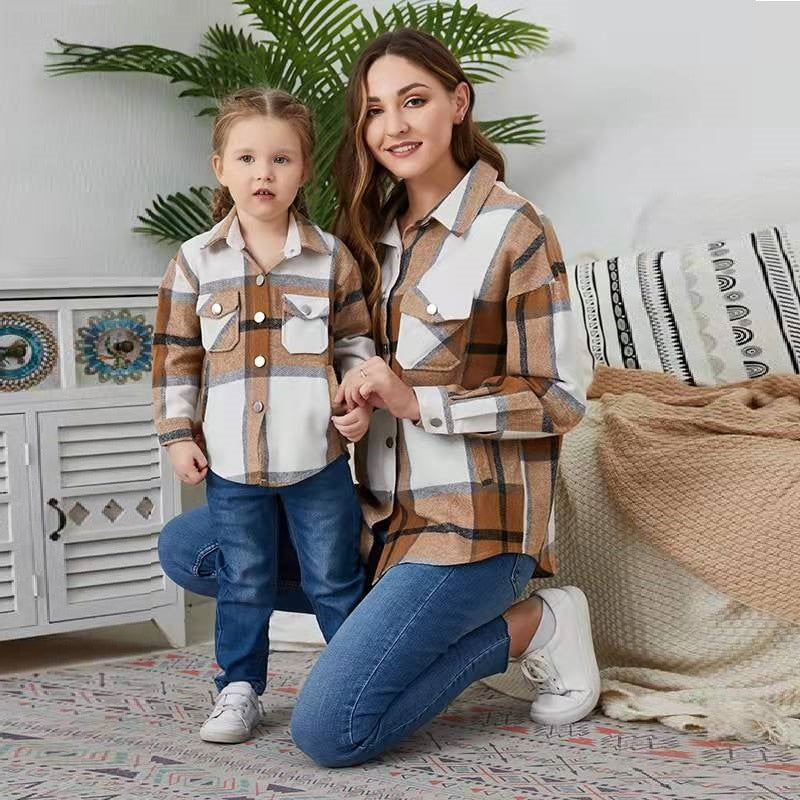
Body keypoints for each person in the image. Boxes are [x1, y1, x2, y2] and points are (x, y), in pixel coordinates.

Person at [158, 29, 600, 766]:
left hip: (471, 529)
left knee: (332, 731)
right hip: (381, 520)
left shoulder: (511, 230)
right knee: (192, 547)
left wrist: (416, 400)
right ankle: (381, 637)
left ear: (458, 103)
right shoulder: (367, 235)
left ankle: (533, 624)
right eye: (373, 110)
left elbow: (559, 398)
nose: (393, 125)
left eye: (414, 101)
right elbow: (339, 357)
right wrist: (344, 406)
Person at [152, 87, 374, 745]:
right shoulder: (195, 262)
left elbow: (356, 342)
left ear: (303, 170)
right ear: (219, 167)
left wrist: (356, 401)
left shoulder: (332, 259)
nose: (263, 173)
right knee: (243, 580)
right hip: (232, 463)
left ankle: (352, 679)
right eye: (246, 157)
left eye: (280, 159)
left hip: (318, 461)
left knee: (335, 578)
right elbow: (175, 356)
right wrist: (175, 434)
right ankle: (239, 688)